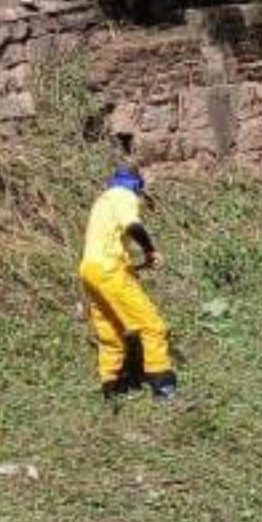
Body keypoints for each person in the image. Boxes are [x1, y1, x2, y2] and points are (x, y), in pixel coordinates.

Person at [78, 161, 176, 401]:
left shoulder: (102, 201)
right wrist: (150, 250)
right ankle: (163, 386)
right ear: (136, 186)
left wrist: (135, 266)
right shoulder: (124, 196)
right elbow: (132, 225)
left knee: (109, 328)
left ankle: (112, 385)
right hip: (109, 270)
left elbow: (107, 246)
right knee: (152, 325)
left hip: (89, 270)